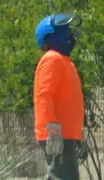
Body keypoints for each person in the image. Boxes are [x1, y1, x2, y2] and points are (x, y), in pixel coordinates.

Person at [34, 13, 85, 180]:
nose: (69, 34)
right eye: (64, 31)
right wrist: (53, 131)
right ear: (50, 37)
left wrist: (78, 135)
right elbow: (44, 95)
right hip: (57, 136)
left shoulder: (66, 62)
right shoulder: (52, 59)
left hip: (66, 135)